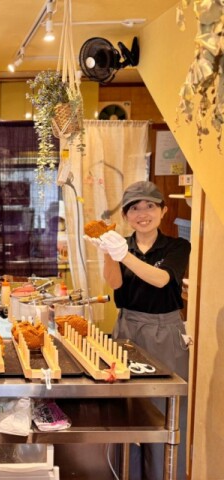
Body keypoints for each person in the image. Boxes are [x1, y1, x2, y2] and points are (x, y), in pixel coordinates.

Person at [85, 180, 191, 480]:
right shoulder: (120, 244)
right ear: (126, 215)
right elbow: (116, 285)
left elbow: (161, 280)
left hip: (164, 332)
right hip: (127, 327)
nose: (142, 214)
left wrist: (123, 254)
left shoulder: (177, 246)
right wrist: (108, 252)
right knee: (126, 409)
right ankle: (126, 475)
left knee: (162, 412)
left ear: (163, 210)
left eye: (149, 206)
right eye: (134, 208)